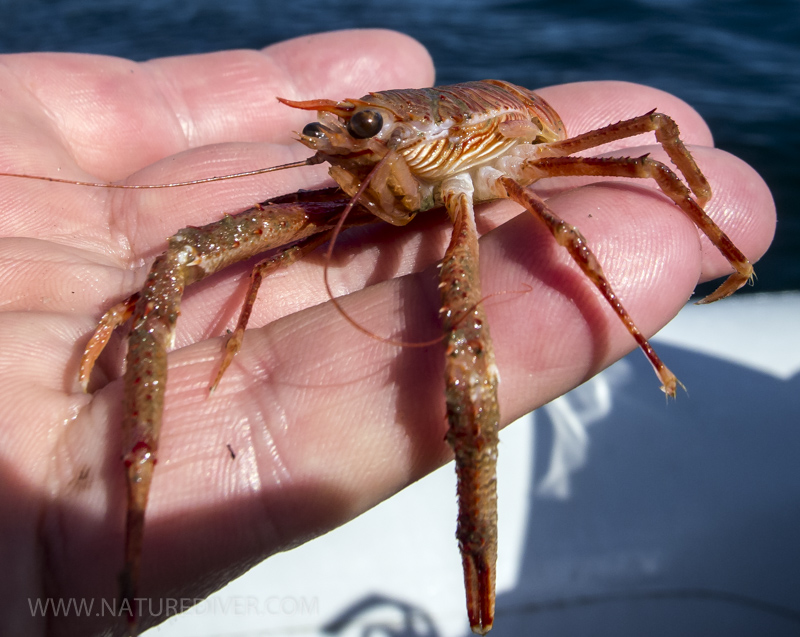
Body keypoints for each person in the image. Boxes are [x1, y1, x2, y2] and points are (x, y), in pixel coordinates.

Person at [0, 29, 775, 636]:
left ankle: (481, 578)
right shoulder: (379, 155)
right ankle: (133, 495)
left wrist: (713, 230)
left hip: (514, 141)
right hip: (433, 153)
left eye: (362, 130)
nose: (343, 147)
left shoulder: (480, 157)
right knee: (185, 251)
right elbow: (199, 243)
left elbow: (657, 135)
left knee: (471, 361)